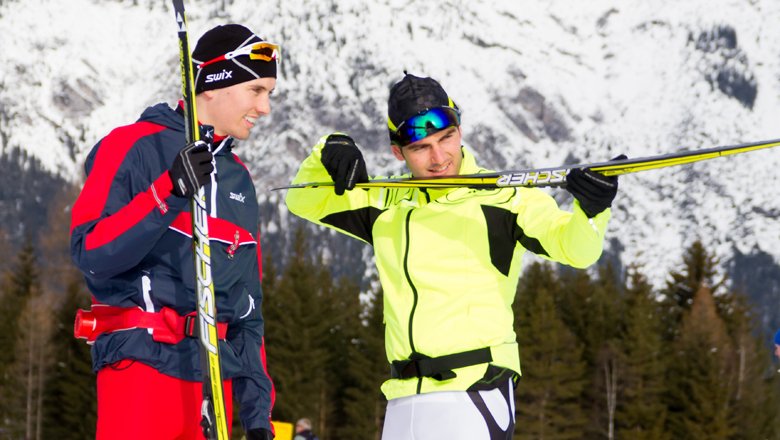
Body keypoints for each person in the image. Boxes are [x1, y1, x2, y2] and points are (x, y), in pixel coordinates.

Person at [285, 73, 621, 439]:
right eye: (421, 147)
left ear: (459, 129)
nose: (439, 156)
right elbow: (302, 200)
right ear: (399, 152)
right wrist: (328, 151)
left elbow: (577, 249)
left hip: (474, 390)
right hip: (402, 398)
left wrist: (591, 210)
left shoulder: (505, 199)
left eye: (447, 138)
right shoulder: (386, 204)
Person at [69, 24, 279, 440]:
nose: (265, 107)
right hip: (141, 368)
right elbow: (90, 253)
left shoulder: (239, 180)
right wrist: (167, 193)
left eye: (269, 93)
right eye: (257, 90)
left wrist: (257, 417)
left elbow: (247, 312)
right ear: (215, 84)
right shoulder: (131, 146)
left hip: (211, 384)